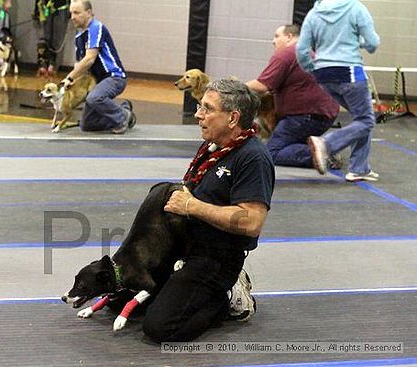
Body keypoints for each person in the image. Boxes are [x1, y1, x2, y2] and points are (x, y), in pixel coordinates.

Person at [142, 79, 275, 342]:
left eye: (207, 108)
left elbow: (251, 222)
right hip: (185, 245)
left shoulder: (252, 158)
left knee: (159, 327)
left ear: (232, 118)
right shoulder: (213, 146)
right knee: (126, 293)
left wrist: (192, 206)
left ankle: (225, 299)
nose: (198, 115)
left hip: (216, 258)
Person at [296, 0, 380, 181]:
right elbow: (373, 43)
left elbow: (302, 50)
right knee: (366, 120)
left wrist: (313, 69)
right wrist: (362, 42)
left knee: (361, 118)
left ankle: (359, 168)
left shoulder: (314, 13)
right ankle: (326, 144)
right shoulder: (356, 8)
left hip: (324, 75)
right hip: (349, 72)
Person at [246, 24, 339, 169]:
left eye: (277, 36)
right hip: (323, 115)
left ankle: (324, 152)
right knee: (287, 144)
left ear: (289, 37)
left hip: (304, 117)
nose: (273, 41)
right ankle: (321, 148)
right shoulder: (308, 53)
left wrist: (237, 86)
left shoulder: (286, 54)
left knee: (271, 152)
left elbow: (262, 85)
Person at [61, 0, 135, 134]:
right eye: (71, 13)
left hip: (114, 77)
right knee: (87, 125)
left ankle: (122, 117)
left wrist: (69, 77)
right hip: (99, 82)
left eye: (77, 13)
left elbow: (89, 58)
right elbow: (80, 66)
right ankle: (124, 110)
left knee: (94, 98)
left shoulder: (96, 27)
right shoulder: (78, 37)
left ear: (88, 13)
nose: (72, 17)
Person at [33, 0, 71, 78]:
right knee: (44, 38)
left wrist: (71, 9)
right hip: (45, 6)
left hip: (61, 7)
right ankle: (42, 64)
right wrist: (36, 9)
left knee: (58, 39)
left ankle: (53, 65)